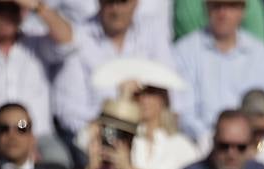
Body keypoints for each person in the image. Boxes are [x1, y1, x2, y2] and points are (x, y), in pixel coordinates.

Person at [0, 0, 73, 165]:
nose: (6, 15)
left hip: (38, 134)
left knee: (59, 162)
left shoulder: (36, 42)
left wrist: (36, 6)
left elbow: (68, 41)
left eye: (13, 9)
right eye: (0, 8)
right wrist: (15, 139)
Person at [51, 0, 175, 137]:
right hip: (94, 139)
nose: (116, 10)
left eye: (123, 2)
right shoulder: (78, 38)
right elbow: (69, 113)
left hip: (147, 138)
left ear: (136, 3)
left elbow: (172, 97)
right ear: (99, 2)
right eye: (110, 2)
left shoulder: (153, 32)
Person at [171, 0, 264, 141]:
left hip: (254, 144)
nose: (223, 13)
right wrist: (216, 141)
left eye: (231, 6)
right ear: (206, 8)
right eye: (217, 6)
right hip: (201, 145)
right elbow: (184, 114)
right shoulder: (184, 52)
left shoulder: (263, 56)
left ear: (243, 11)